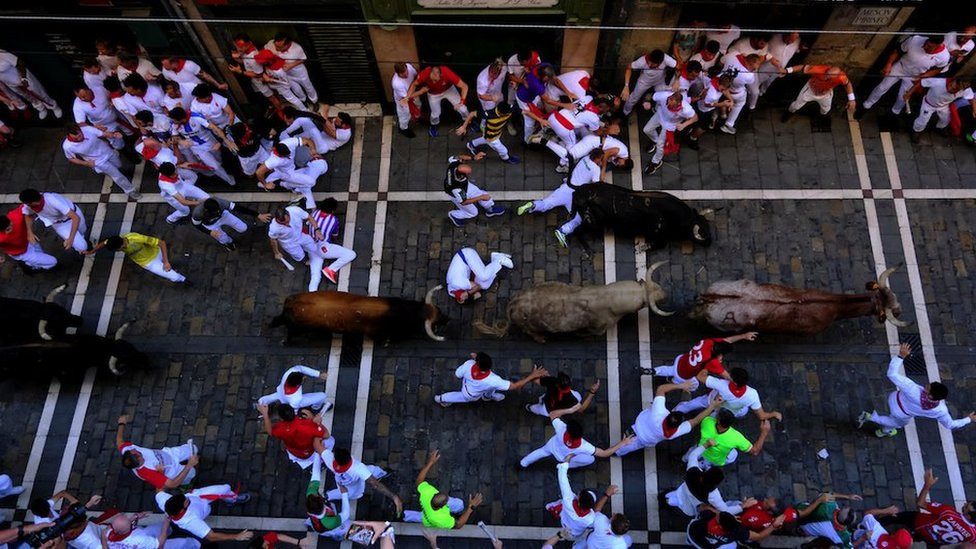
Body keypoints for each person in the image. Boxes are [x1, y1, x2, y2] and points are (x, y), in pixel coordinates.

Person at [857, 343, 976, 437]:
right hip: (901, 415)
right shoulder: (940, 410)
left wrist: (901, 356)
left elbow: (891, 374)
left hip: (893, 398)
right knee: (895, 423)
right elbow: (950, 425)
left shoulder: (911, 388)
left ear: (930, 396)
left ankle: (878, 423)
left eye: (928, 387)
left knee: (890, 419)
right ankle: (876, 424)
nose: (926, 385)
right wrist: (969, 419)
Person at [517, 149, 606, 248]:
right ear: (597, 158)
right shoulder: (596, 169)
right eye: (601, 159)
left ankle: (533, 205)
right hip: (575, 196)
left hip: (565, 188)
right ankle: (563, 231)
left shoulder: (585, 158)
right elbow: (597, 185)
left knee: (547, 203)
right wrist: (603, 167)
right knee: (579, 218)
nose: (601, 161)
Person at [616, 383, 722, 456]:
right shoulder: (673, 434)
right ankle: (617, 452)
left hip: (639, 424)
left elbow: (661, 389)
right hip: (644, 440)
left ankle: (617, 450)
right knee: (627, 448)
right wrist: (712, 406)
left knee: (623, 446)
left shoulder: (659, 412)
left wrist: (681, 385)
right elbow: (695, 421)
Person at [860, 35, 952, 117]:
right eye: (926, 44)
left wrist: (923, 76)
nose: (925, 47)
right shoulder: (914, 40)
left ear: (938, 45)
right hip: (900, 67)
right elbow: (897, 51)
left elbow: (938, 70)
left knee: (902, 98)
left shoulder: (944, 57)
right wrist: (889, 64)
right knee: (882, 87)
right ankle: (866, 106)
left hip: (914, 76)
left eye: (930, 47)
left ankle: (894, 113)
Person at [878, 468, 976, 545]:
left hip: (917, 523)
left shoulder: (948, 512)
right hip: (928, 540)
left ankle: (878, 523)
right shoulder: (973, 535)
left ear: (969, 516)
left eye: (966, 507)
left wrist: (927, 485)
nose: (964, 504)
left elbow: (920, 503)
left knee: (895, 518)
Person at [403, 450, 481, 546]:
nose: (448, 498)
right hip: (431, 520)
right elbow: (458, 525)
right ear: (443, 506)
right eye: (446, 500)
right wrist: (470, 507)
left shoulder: (427, 494)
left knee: (418, 516)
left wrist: (430, 462)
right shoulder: (441, 519)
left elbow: (419, 480)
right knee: (459, 504)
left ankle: (404, 515)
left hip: (426, 515)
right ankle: (459, 511)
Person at [519, 411, 635, 469]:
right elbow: (604, 453)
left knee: (540, 452)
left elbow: (553, 414)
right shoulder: (584, 446)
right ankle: (566, 465)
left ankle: (523, 463)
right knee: (590, 459)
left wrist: (569, 409)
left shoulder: (561, 429)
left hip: (552, 446)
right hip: (563, 457)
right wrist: (622, 443)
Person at [311, 439, 401, 513]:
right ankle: (383, 473)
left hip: (343, 482)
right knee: (371, 472)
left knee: (341, 492)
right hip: (355, 484)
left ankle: (326, 496)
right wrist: (394, 496)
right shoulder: (358, 467)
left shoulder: (329, 459)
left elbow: (316, 444)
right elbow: (375, 484)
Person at [642, 333, 756, 390]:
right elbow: (727, 376)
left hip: (681, 360)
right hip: (684, 375)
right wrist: (738, 382)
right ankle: (672, 382)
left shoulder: (709, 341)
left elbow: (727, 340)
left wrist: (744, 336)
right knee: (693, 386)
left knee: (670, 369)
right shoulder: (712, 362)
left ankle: (653, 371)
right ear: (720, 354)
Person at [116, 413, 198, 490]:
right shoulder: (147, 473)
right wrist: (189, 465)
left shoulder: (128, 449)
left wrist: (121, 423)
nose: (137, 451)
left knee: (194, 448)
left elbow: (119, 441)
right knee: (192, 472)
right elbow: (172, 484)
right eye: (139, 456)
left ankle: (190, 462)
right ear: (138, 463)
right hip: (171, 471)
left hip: (169, 454)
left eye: (134, 451)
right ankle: (185, 486)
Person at [433, 352, 547, 406]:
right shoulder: (493, 379)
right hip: (470, 394)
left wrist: (475, 359)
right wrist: (532, 376)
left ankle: (488, 397)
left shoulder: (469, 364)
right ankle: (441, 399)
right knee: (460, 397)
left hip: (469, 385)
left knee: (490, 388)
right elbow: (515, 386)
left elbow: (458, 374)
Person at [673, 366, 783, 422]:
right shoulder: (753, 394)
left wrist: (708, 364)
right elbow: (762, 416)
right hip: (728, 412)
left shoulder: (722, 384)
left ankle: (676, 411)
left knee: (694, 403)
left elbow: (700, 377)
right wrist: (773, 414)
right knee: (743, 411)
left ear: (734, 381)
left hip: (711, 401)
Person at [544, 456, 614, 541]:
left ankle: (550, 508)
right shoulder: (590, 518)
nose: (578, 493)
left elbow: (563, 480)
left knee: (554, 505)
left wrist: (565, 463)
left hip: (564, 518)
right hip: (573, 532)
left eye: (579, 495)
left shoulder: (568, 499)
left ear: (579, 502)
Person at [664, 443, 743, 517]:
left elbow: (693, 455)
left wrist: (705, 445)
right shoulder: (712, 495)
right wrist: (742, 506)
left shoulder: (693, 471)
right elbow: (725, 510)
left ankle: (667, 499)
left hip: (682, 491)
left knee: (673, 496)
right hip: (690, 507)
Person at [62, 123, 138, 198]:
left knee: (118, 165)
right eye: (76, 136)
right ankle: (130, 190)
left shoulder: (87, 129)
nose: (80, 137)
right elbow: (70, 158)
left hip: (107, 151)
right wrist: (86, 163)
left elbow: (103, 134)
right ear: (68, 135)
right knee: (116, 175)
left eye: (80, 133)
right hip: (98, 161)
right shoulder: (67, 146)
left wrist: (114, 135)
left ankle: (117, 171)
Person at [167, 107, 238, 187]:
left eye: (174, 120)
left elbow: (214, 128)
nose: (172, 121)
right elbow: (174, 136)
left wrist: (226, 141)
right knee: (215, 166)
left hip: (211, 143)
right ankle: (231, 181)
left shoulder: (196, 118)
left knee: (219, 161)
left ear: (181, 119)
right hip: (197, 148)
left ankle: (230, 171)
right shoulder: (173, 123)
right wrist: (180, 141)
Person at [267, 205, 332, 289]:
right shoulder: (274, 228)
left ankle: (319, 255)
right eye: (283, 224)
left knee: (313, 246)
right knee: (299, 255)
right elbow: (273, 240)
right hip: (289, 243)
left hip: (300, 235)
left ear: (288, 214)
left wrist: (317, 230)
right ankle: (305, 261)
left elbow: (309, 217)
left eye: (288, 221)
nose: (287, 224)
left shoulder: (295, 210)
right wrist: (276, 252)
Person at [683, 408, 771, 468]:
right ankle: (702, 465)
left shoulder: (707, 421)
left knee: (691, 453)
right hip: (715, 459)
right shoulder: (736, 437)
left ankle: (685, 459)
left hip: (700, 448)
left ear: (718, 421)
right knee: (733, 455)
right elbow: (754, 451)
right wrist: (764, 432)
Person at [156, 488, 252, 543]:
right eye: (186, 501)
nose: (186, 497)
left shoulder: (163, 500)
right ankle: (230, 500)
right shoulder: (191, 522)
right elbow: (211, 536)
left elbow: (159, 491)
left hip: (198, 495)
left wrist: (161, 471)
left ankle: (232, 499)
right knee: (209, 508)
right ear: (182, 510)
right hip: (203, 509)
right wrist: (236, 536)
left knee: (225, 488)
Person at [85, 233, 186, 283]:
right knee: (174, 277)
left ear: (121, 246)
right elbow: (104, 243)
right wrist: (92, 251)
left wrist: (166, 261)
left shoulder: (136, 238)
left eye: (117, 249)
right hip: (148, 263)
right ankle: (183, 280)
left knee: (168, 267)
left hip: (156, 252)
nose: (118, 251)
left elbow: (162, 243)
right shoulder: (114, 241)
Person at [256, 138, 328, 209]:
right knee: (311, 182)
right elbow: (259, 172)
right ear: (279, 155)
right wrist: (265, 184)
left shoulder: (289, 142)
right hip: (287, 174)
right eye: (286, 156)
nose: (289, 156)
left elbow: (307, 141)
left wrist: (313, 149)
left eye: (289, 153)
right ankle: (282, 184)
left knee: (303, 183)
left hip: (293, 168)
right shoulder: (273, 160)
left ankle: (286, 185)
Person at [403, 65, 470, 137]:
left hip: (448, 90)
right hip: (433, 93)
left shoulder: (447, 73)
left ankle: (468, 121)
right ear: (430, 73)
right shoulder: (424, 74)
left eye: (435, 80)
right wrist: (407, 97)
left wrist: (462, 101)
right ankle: (433, 125)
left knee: (463, 109)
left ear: (441, 75)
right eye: (432, 79)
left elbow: (464, 86)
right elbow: (414, 84)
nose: (433, 82)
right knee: (435, 114)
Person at [442, 152, 507, 226]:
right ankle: (454, 215)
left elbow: (458, 157)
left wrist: (473, 157)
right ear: (462, 176)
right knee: (473, 213)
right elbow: (464, 202)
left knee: (481, 193)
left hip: (465, 186)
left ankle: (490, 209)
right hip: (457, 195)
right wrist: (480, 198)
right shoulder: (457, 189)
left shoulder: (454, 165)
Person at [258, 403, 330, 469]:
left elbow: (270, 432)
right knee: (330, 441)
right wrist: (317, 423)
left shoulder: (280, 428)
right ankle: (320, 463)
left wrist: (265, 414)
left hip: (293, 451)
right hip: (309, 452)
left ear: (281, 418)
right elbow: (326, 435)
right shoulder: (307, 425)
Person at [642, 90, 697, 175]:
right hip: (660, 115)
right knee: (646, 130)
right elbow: (649, 95)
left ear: (679, 103)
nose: (668, 105)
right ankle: (655, 140)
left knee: (660, 145)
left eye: (672, 104)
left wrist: (684, 125)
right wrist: (645, 102)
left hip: (670, 125)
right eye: (668, 101)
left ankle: (655, 162)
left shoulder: (686, 109)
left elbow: (695, 118)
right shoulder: (664, 96)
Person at [904, 77, 975, 142]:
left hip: (944, 106)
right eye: (951, 85)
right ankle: (916, 131)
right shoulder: (938, 82)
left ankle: (940, 128)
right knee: (923, 120)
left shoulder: (965, 90)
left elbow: (971, 98)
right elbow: (921, 82)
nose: (950, 89)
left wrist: (974, 110)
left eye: (954, 89)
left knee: (946, 119)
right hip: (929, 104)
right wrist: (909, 93)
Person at [16, 189, 87, 254]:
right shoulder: (29, 205)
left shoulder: (52, 200)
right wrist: (29, 232)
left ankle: (82, 238)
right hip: (60, 225)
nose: (27, 206)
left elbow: (75, 217)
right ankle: (82, 247)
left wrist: (70, 239)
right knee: (82, 246)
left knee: (83, 231)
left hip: (73, 215)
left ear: (34, 202)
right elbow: (28, 214)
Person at [0, 49, 62, 119]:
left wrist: (24, 78)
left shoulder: (2, 54)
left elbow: (20, 62)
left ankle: (54, 106)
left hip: (24, 79)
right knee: (29, 97)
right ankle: (41, 108)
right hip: (11, 84)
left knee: (40, 93)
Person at [780, 64, 856, 121]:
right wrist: (787, 70)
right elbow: (802, 67)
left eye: (829, 77)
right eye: (826, 75)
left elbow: (847, 84)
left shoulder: (842, 77)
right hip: (810, 90)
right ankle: (788, 113)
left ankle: (819, 117)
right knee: (795, 106)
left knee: (826, 110)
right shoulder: (818, 69)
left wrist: (851, 99)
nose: (825, 77)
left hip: (825, 94)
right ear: (827, 70)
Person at [265, 33, 321, 110]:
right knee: (296, 90)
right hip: (287, 74)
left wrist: (292, 65)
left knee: (308, 87)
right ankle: (303, 100)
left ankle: (314, 101)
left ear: (287, 45)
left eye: (279, 47)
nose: (276, 48)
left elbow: (303, 59)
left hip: (299, 73)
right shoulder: (271, 44)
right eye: (275, 45)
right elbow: (264, 52)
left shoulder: (297, 48)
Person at [190, 197, 271, 251]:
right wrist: (210, 232)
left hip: (223, 215)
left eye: (218, 209)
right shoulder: (198, 213)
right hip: (210, 224)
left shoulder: (221, 202)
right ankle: (228, 243)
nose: (217, 212)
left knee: (243, 228)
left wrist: (258, 215)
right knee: (223, 238)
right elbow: (196, 225)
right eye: (215, 211)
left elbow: (238, 208)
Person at [686, 509, 784, 549]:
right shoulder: (738, 531)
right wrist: (773, 526)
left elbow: (704, 508)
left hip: (692, 531)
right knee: (732, 546)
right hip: (702, 542)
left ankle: (689, 542)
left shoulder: (708, 515)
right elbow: (759, 536)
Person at [229, 33, 280, 110]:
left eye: (241, 46)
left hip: (260, 81)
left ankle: (281, 111)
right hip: (255, 81)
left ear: (249, 43)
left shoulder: (252, 57)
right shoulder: (246, 51)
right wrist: (236, 58)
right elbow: (245, 62)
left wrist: (240, 71)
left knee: (272, 98)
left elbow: (259, 74)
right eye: (237, 46)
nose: (239, 49)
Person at [445, 247, 514, 304]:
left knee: (483, 276)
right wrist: (469, 294)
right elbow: (478, 294)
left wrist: (468, 293)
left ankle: (498, 259)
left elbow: (477, 287)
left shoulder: (458, 284)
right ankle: (494, 260)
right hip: (470, 269)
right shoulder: (453, 292)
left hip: (466, 255)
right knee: (484, 285)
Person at [0, 207, 58, 273]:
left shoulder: (15, 216)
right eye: (6, 230)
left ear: (10, 221)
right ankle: (33, 268)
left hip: (29, 241)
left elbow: (27, 207)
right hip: (22, 253)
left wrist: (29, 232)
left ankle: (32, 265)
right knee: (53, 261)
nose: (9, 230)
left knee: (41, 254)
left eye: (9, 227)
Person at [621, 49, 677, 116]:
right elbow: (629, 68)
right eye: (649, 61)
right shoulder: (642, 61)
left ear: (660, 63)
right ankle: (625, 113)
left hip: (659, 81)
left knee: (663, 95)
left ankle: (657, 111)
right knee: (633, 98)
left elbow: (679, 66)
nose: (649, 64)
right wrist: (626, 86)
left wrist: (677, 80)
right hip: (644, 81)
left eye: (653, 64)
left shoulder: (666, 59)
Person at [305, 459, 352, 540]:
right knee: (344, 528)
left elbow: (315, 473)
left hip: (316, 522)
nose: (315, 493)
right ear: (322, 503)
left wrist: (317, 454)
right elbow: (345, 513)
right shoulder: (330, 522)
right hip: (327, 528)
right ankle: (337, 536)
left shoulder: (310, 496)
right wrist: (344, 493)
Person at [257, 364, 331, 412]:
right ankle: (316, 408)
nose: (305, 377)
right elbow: (294, 408)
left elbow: (300, 368)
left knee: (275, 396)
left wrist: (318, 374)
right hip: (294, 402)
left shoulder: (289, 373)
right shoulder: (296, 398)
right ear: (298, 384)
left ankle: (261, 402)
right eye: (303, 379)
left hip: (281, 393)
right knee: (322, 396)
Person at [105, 512, 201, 549]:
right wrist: (166, 524)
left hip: (141, 538)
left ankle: (171, 529)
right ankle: (197, 545)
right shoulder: (139, 540)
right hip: (153, 546)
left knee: (155, 528)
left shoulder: (109, 533)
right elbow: (160, 545)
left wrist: (134, 518)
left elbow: (123, 526)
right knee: (181, 544)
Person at [718, 52, 760, 134]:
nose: (753, 70)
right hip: (734, 92)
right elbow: (750, 83)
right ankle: (728, 124)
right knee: (740, 102)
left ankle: (722, 113)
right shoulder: (749, 76)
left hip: (720, 85)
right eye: (753, 68)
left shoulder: (733, 54)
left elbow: (721, 62)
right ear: (749, 64)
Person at [527, 372, 598, 418]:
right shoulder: (574, 398)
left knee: (536, 405)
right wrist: (592, 392)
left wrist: (536, 374)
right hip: (549, 411)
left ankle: (529, 407)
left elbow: (535, 380)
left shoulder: (552, 381)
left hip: (546, 399)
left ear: (557, 384)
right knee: (536, 409)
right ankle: (529, 408)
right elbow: (581, 409)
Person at [161, 55, 226, 91]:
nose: (164, 67)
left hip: (201, 91)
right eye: (163, 65)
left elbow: (205, 76)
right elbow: (170, 82)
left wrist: (218, 85)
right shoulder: (165, 70)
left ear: (174, 63)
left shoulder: (189, 65)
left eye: (166, 65)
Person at [392, 62, 420, 138]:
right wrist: (422, 91)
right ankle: (403, 128)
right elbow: (407, 97)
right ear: (398, 73)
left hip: (413, 93)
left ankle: (417, 117)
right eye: (403, 74)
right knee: (404, 114)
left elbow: (415, 75)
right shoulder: (396, 83)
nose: (406, 74)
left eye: (406, 71)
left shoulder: (409, 66)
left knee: (418, 105)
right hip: (403, 99)